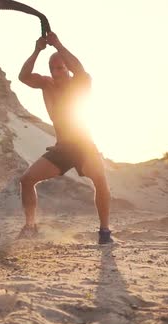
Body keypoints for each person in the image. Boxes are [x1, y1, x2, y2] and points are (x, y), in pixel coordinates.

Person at [17, 32, 113, 244]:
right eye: (53, 68)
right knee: (26, 180)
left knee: (100, 181)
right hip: (62, 148)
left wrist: (58, 44)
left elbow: (79, 69)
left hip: (84, 146)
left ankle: (104, 232)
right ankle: (30, 227)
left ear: (67, 68)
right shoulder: (46, 84)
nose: (56, 72)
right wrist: (37, 50)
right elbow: (23, 77)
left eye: (60, 68)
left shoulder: (80, 82)